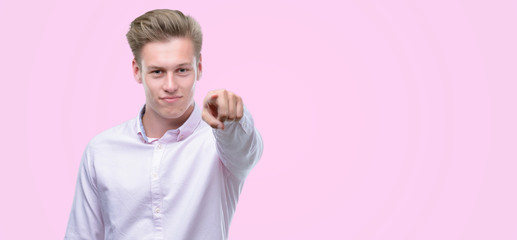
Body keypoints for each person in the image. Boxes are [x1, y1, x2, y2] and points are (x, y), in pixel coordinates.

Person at [64, 9, 263, 240]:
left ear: (198, 69)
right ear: (137, 71)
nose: (170, 85)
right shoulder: (101, 151)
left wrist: (234, 118)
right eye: (157, 72)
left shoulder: (219, 146)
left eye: (182, 70)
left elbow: (246, 149)